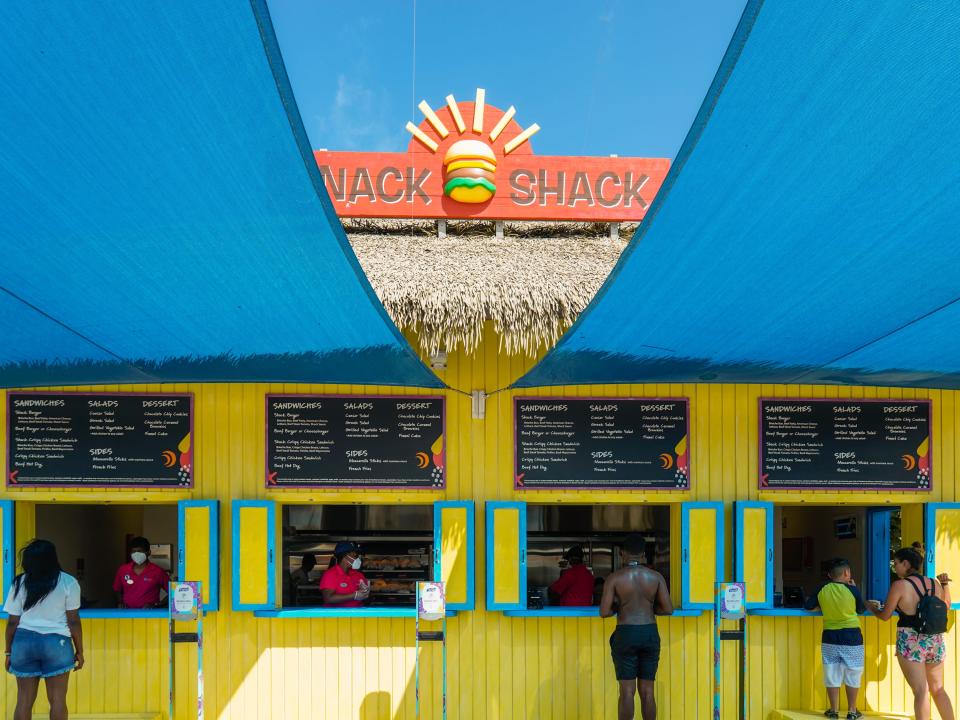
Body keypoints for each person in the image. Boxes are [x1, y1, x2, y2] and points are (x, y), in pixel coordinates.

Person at [867, 547, 955, 720]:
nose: (895, 567)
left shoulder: (899, 585)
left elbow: (885, 615)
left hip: (910, 642)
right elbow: (946, 606)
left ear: (906, 563)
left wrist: (873, 609)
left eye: (896, 563)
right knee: (938, 689)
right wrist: (945, 585)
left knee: (921, 691)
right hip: (934, 640)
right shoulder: (934, 583)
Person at [4, 539, 84, 720]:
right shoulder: (68, 582)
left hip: (24, 644)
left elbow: (12, 623)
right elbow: (73, 622)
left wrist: (8, 652)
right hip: (57, 643)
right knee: (57, 701)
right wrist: (79, 650)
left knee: (24, 700)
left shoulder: (19, 583)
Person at [600, 533, 673, 720]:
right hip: (649, 632)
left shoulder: (614, 578)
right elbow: (668, 609)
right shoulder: (655, 577)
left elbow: (604, 612)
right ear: (643, 555)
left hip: (625, 633)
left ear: (622, 554)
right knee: (648, 691)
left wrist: (620, 605)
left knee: (626, 691)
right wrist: (648, 607)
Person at [803, 558, 865, 720]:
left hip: (830, 636)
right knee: (853, 673)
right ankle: (852, 711)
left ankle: (833, 710)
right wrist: (855, 589)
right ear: (846, 573)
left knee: (831, 673)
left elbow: (808, 606)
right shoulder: (852, 590)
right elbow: (861, 609)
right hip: (852, 635)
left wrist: (822, 606)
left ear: (830, 575)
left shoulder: (822, 588)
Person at [113, 537, 170, 609]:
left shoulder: (158, 571)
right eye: (134, 551)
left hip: (149, 616)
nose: (136, 554)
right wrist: (120, 602)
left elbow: (173, 591)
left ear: (148, 552)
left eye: (140, 551)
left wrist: (157, 605)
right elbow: (117, 589)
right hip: (126, 615)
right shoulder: (123, 570)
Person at [319, 541, 370, 607]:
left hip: (357, 615)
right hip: (337, 616)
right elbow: (328, 598)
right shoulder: (330, 574)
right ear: (345, 556)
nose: (357, 558)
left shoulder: (358, 575)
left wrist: (366, 593)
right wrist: (354, 595)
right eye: (355, 555)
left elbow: (367, 599)